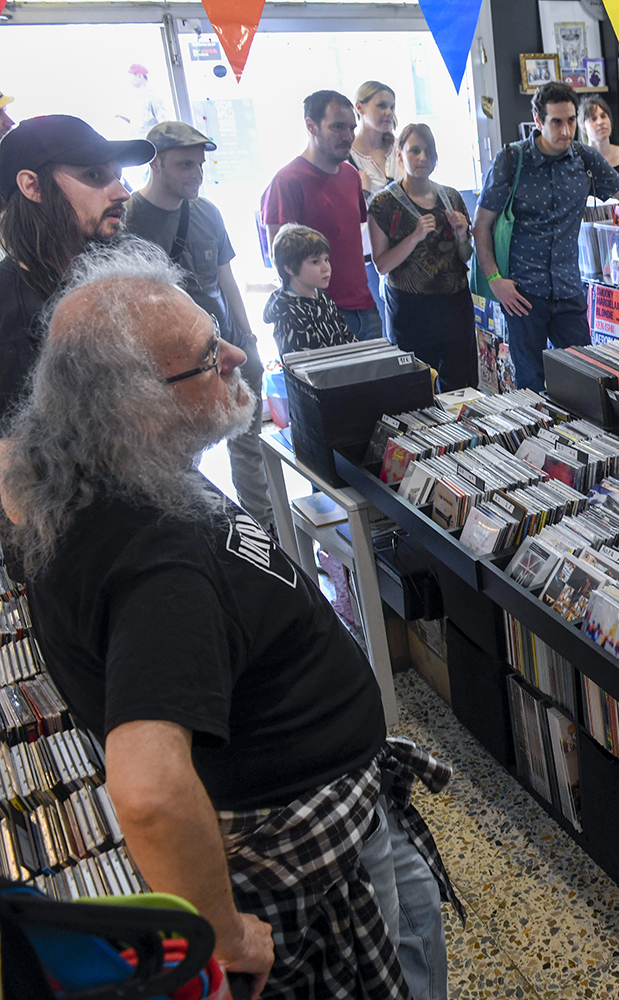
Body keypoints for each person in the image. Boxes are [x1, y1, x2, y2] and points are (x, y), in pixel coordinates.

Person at [4, 240, 464, 999]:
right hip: (312, 846)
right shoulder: (159, 568)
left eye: (215, 331)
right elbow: (147, 790)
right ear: (132, 405)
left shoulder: (93, 468)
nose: (235, 354)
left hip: (328, 801)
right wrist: (217, 927)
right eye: (202, 358)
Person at [123, 121, 275, 532]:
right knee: (181, 454)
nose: (197, 174)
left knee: (249, 443)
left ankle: (263, 527)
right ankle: (190, 533)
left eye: (201, 165)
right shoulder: (128, 219)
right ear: (155, 164)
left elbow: (226, 277)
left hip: (228, 346)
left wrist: (250, 339)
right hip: (174, 364)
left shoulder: (207, 212)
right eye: (185, 165)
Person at [473, 81, 619, 392]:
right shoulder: (511, 161)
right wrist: (494, 280)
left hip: (569, 290)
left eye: (571, 121)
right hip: (523, 294)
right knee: (530, 384)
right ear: (537, 120)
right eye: (556, 122)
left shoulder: (585, 158)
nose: (566, 131)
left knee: (588, 378)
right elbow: (481, 225)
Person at [0, 114, 153, 419]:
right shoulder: (8, 313)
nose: (122, 192)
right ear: (33, 186)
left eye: (118, 175)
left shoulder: (115, 280)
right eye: (95, 176)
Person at [261, 91, 381, 340]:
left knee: (377, 379)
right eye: (337, 127)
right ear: (311, 126)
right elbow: (280, 257)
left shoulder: (350, 175)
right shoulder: (287, 181)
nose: (347, 136)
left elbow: (351, 241)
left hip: (365, 306)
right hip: (318, 312)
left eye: (351, 128)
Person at [369, 124, 476, 390]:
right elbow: (381, 265)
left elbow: (465, 256)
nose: (422, 158)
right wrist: (414, 236)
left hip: (455, 306)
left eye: (429, 151)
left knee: (462, 388)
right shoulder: (384, 204)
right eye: (414, 150)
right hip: (410, 310)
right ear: (400, 154)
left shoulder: (450, 197)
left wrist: (462, 234)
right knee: (415, 390)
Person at [350, 81, 400, 334]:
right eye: (381, 106)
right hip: (369, 257)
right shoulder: (346, 156)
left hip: (408, 248)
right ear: (359, 107)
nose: (388, 113)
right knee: (381, 331)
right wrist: (364, 192)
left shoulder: (402, 149)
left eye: (392, 106)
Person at [264, 225, 356, 356]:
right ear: (289, 268)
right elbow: (303, 366)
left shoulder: (324, 298)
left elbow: (347, 337)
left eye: (326, 259)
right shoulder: (287, 312)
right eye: (315, 262)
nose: (326, 268)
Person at [578, 95, 619, 189]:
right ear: (583, 127)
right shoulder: (578, 160)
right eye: (593, 119)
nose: (600, 122)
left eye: (603, 116)